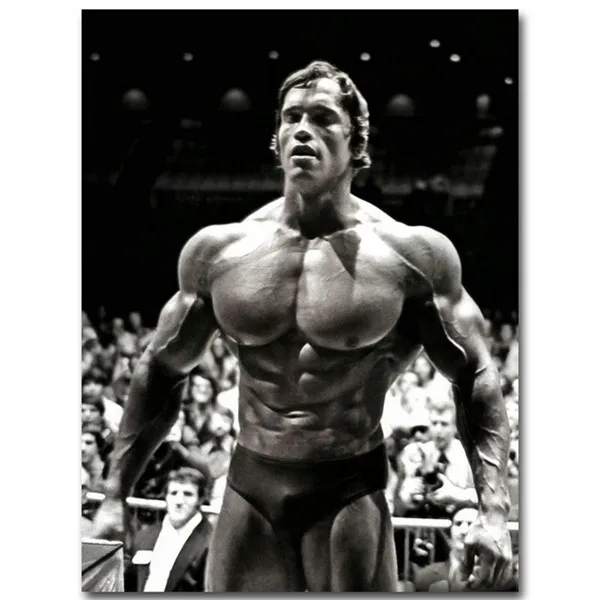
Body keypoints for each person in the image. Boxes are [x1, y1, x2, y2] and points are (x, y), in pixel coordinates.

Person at [92, 60, 512, 592]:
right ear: (276, 138)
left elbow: (474, 375)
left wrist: (494, 512)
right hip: (250, 484)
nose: (303, 129)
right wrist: (114, 497)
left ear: (356, 141)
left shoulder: (410, 257)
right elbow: (160, 371)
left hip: (347, 489)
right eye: (291, 117)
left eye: (322, 117)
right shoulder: (218, 252)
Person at [126, 467, 213, 592]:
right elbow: (129, 583)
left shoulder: (210, 542)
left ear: (200, 499)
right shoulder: (144, 536)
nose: (179, 501)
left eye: (188, 494)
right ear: (165, 497)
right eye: (173, 493)